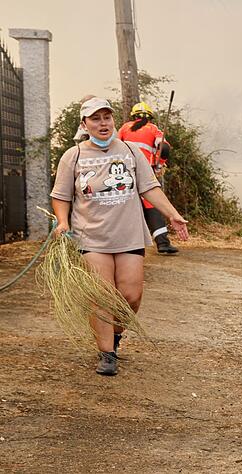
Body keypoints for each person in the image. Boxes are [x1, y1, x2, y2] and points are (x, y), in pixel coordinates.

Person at [50, 97, 189, 376]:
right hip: (91, 237)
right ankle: (106, 353)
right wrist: (63, 222)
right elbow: (61, 196)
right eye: (96, 119)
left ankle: (113, 335)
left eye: (107, 117)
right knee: (102, 295)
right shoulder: (74, 156)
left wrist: (172, 214)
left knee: (131, 295)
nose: (103, 123)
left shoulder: (129, 151)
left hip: (129, 235)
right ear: (84, 124)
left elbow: (149, 188)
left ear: (114, 120)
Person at [118, 102, 179, 255]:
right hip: (145, 172)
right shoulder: (153, 129)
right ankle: (163, 243)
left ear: (134, 116)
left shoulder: (125, 128)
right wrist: (160, 165)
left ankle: (123, 244)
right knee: (152, 205)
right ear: (150, 117)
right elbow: (164, 148)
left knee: (125, 207)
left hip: (124, 172)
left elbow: (115, 146)